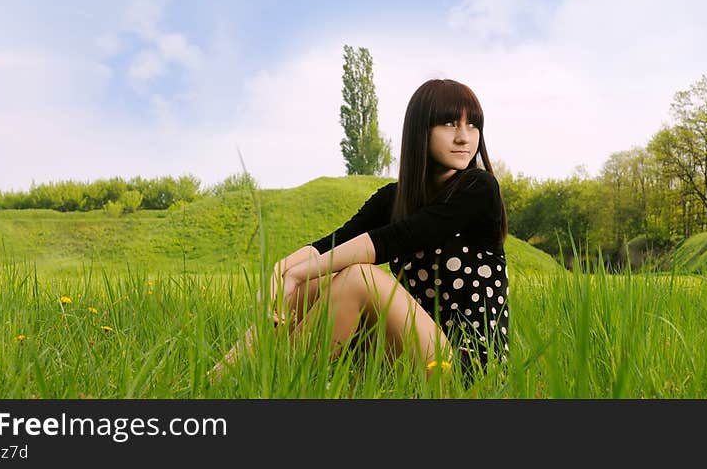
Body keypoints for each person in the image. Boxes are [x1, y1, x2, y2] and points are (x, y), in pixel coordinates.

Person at [208, 78, 509, 385]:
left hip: (467, 365)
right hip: (413, 349)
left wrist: (298, 272)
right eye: (449, 123)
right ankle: (220, 379)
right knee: (313, 284)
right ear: (421, 130)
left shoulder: (479, 188)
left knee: (359, 277)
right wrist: (281, 272)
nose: (464, 137)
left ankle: (279, 385)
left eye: (473, 125)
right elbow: (334, 242)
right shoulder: (393, 197)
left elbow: (393, 240)